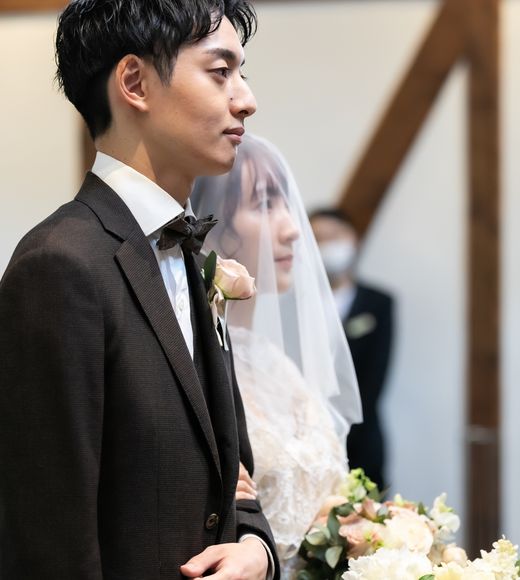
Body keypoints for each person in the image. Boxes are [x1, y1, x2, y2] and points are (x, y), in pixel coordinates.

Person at [0, 2, 279, 579]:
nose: (247, 100)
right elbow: (48, 539)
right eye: (220, 71)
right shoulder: (61, 264)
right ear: (134, 83)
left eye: (243, 73)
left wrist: (258, 548)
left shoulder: (192, 252)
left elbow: (233, 472)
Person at [191, 135, 362, 578]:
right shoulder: (194, 364)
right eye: (265, 204)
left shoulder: (273, 362)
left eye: (287, 203)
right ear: (209, 223)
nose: (293, 228)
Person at [309, 208, 395, 491]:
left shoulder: (378, 303)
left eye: (334, 237)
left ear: (353, 239)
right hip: (308, 437)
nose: (327, 245)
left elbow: (375, 375)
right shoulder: (294, 304)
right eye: (318, 238)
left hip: (363, 437)